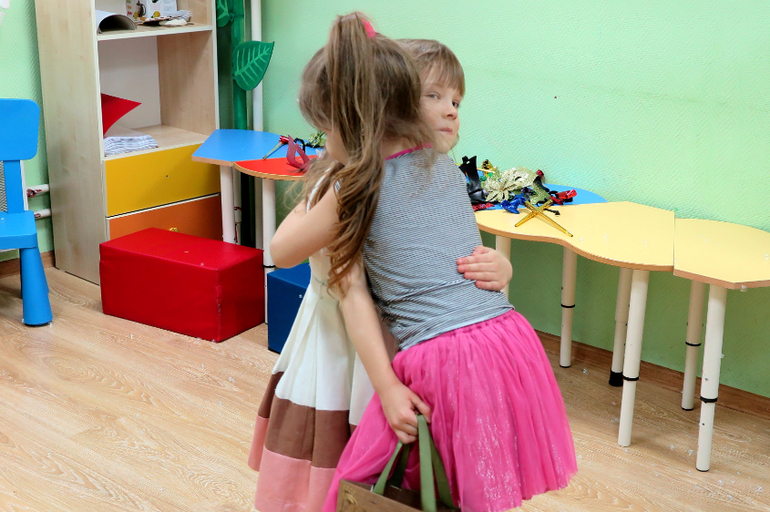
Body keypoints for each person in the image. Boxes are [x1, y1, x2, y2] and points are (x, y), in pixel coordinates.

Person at [270, 13, 578, 512]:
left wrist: (389, 388)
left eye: (325, 125)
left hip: (440, 354)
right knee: (463, 479)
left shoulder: (355, 186)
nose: (323, 137)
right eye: (435, 97)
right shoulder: (444, 169)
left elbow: (297, 261)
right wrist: (504, 269)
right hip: (508, 339)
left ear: (355, 117)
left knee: (373, 488)